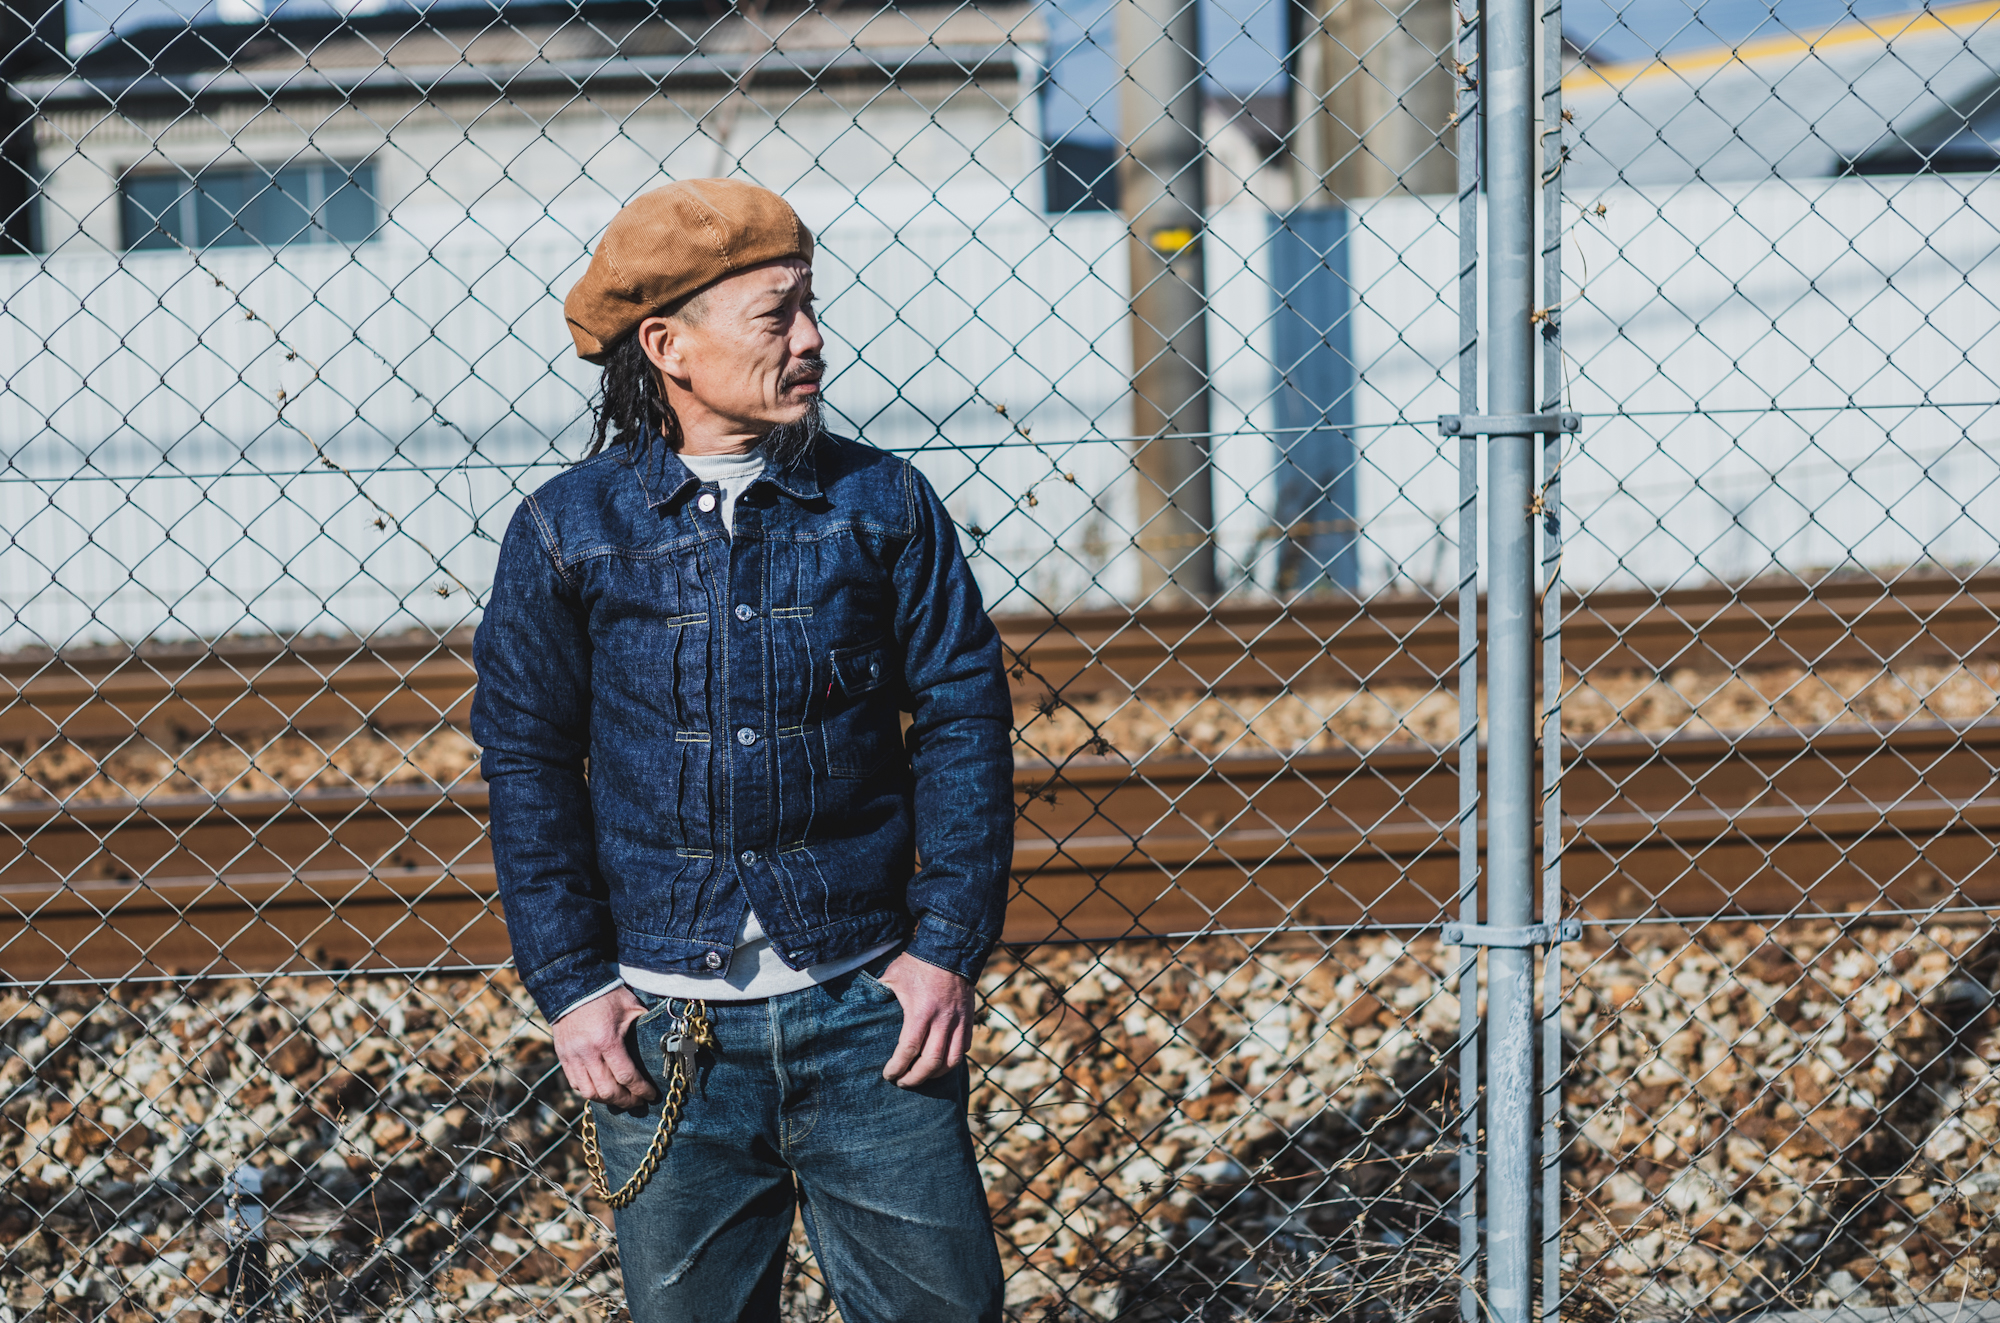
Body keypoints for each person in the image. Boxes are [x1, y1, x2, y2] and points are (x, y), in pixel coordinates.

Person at [471, 178, 1011, 1323]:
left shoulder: (882, 505)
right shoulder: (568, 531)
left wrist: (945, 948)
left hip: (870, 1014)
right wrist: (573, 987)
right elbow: (526, 764)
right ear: (666, 346)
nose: (809, 339)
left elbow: (963, 716)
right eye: (776, 315)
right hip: (665, 1037)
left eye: (809, 306)